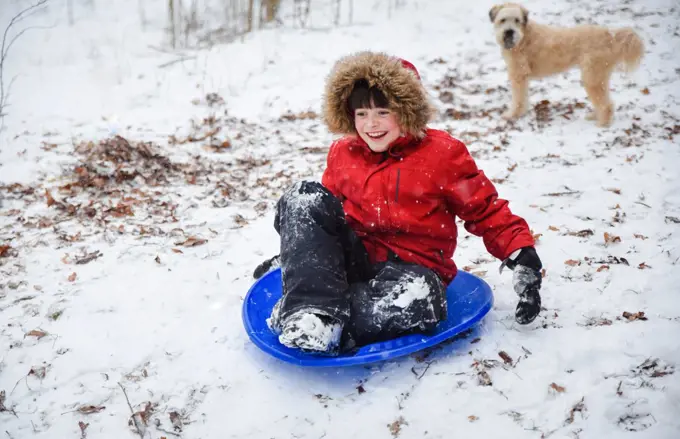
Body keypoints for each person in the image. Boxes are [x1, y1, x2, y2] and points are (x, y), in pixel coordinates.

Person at [253, 51, 543, 355]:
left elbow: (483, 208)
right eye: (361, 114)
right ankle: (312, 311)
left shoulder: (442, 154)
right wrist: (299, 254)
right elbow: (327, 220)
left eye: (382, 112)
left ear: (406, 110)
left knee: (420, 298)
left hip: (414, 270)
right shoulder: (343, 153)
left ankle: (317, 318)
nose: (371, 124)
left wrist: (521, 254)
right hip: (357, 260)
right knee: (304, 195)